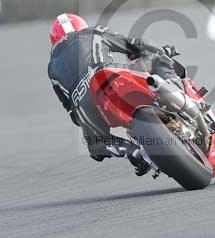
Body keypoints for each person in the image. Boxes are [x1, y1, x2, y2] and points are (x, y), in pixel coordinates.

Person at [47, 13, 181, 176]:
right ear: (81, 26)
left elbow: (72, 113)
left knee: (97, 145)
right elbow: (133, 45)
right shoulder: (93, 32)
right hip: (110, 78)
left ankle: (132, 151)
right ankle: (177, 95)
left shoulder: (52, 69)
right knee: (157, 58)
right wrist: (163, 50)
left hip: (84, 105)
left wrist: (89, 120)